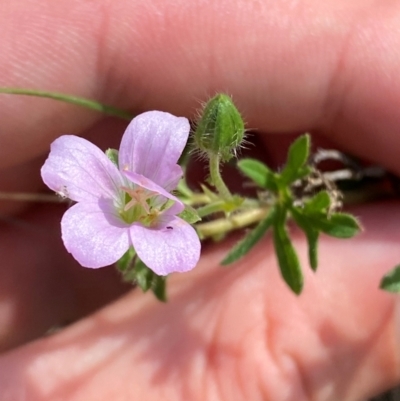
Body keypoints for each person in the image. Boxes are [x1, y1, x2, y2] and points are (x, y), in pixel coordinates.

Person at [0, 0, 399, 400]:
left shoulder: (161, 172)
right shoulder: (104, 211)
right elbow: (101, 233)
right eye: (135, 201)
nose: (138, 202)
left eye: (145, 201)